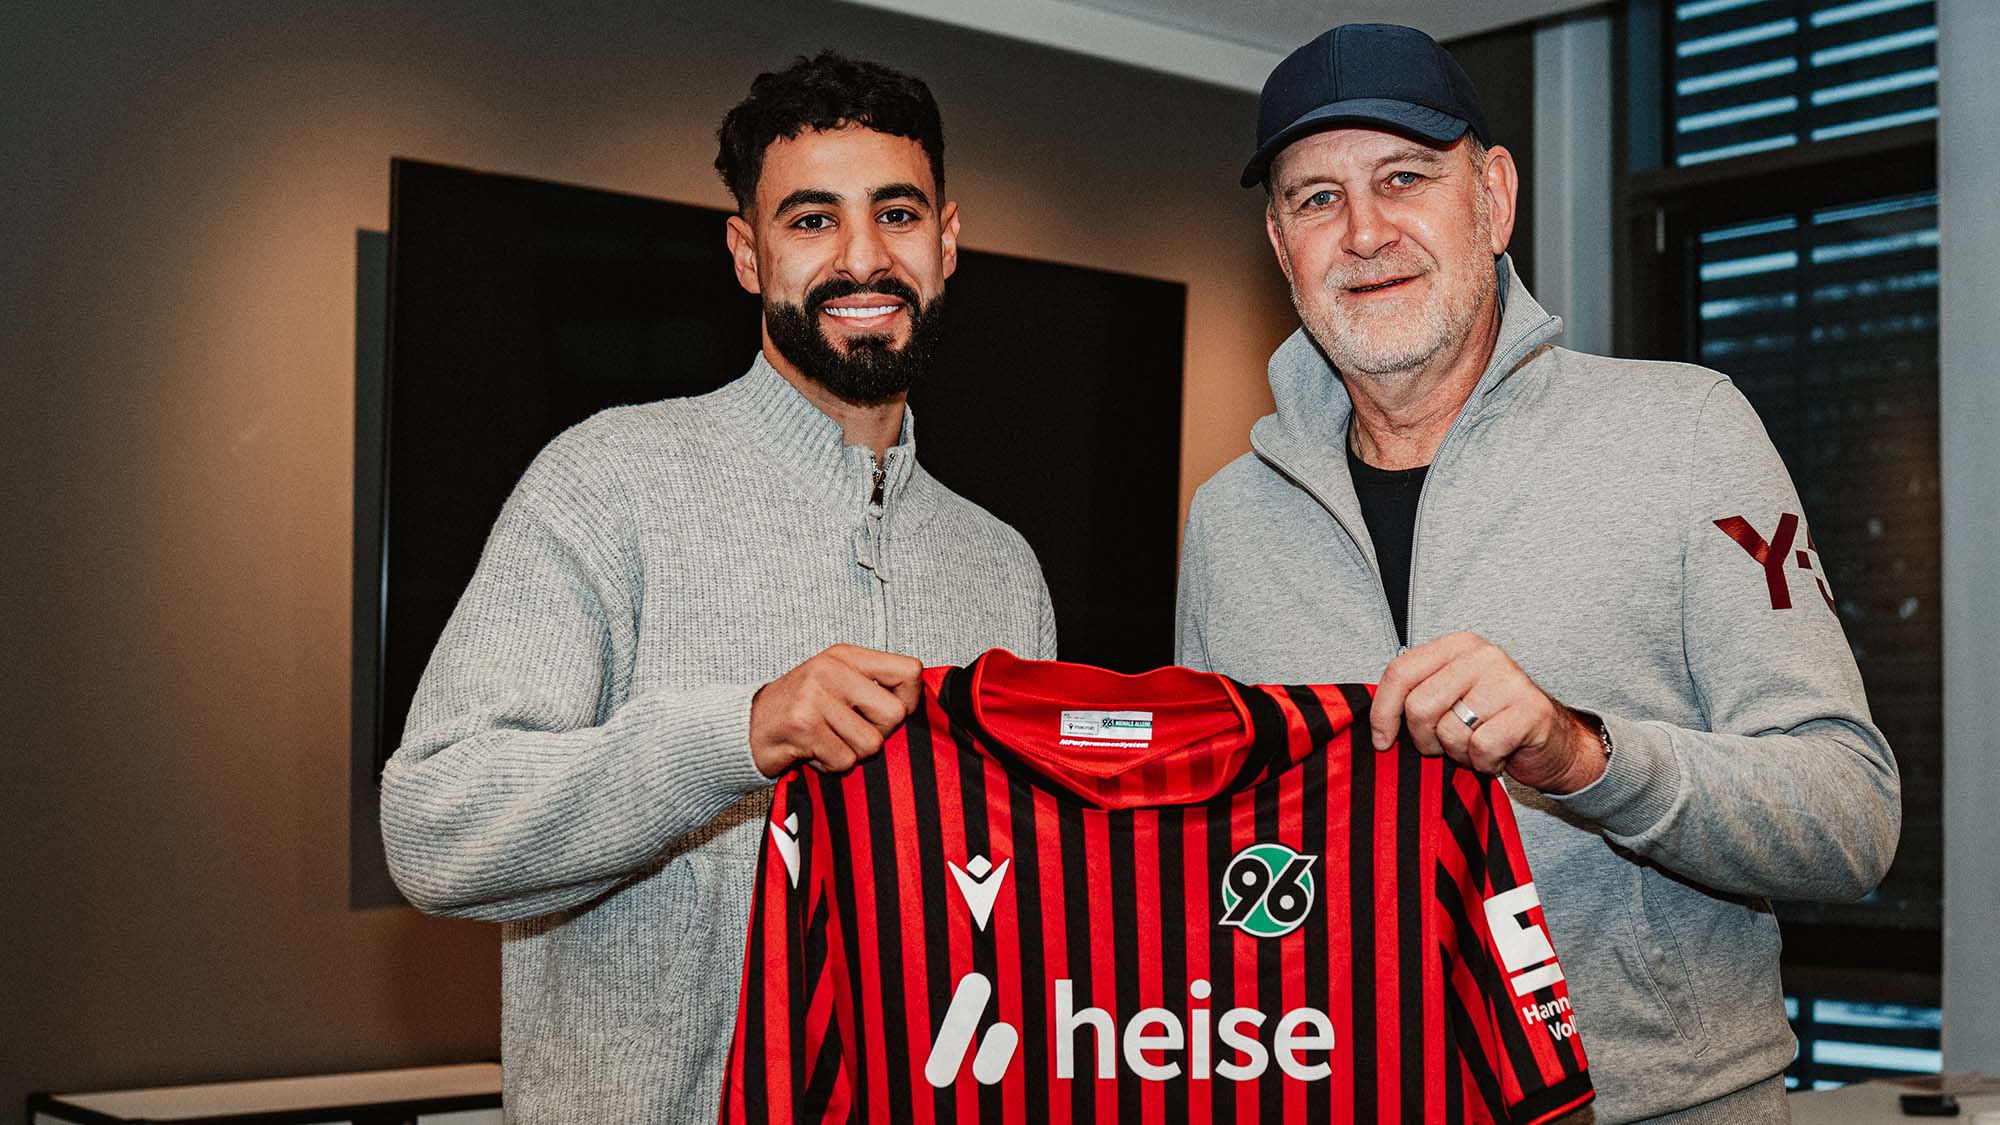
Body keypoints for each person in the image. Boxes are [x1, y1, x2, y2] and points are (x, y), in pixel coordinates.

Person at [1176, 23, 1899, 1123]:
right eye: (1317, 199)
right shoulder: (1229, 519)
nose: (1364, 232)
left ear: (1494, 198)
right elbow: (1209, 851)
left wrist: (1581, 755)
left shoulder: (1685, 434)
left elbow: (1850, 815)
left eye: (1404, 178)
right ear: (1281, 246)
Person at [380, 52, 1056, 1123]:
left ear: (948, 240)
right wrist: (735, 736)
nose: (863, 257)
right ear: (747, 254)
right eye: (811, 220)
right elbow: (433, 827)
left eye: (896, 213)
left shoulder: (1003, 568)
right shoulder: (606, 482)